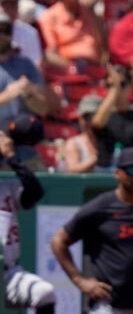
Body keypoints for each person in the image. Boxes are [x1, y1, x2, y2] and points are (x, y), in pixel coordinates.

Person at [50, 147, 133, 314]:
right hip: (109, 306)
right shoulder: (100, 207)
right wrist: (80, 281)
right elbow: (59, 241)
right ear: (117, 173)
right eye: (131, 170)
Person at [0, 119, 56, 313]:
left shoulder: (6, 186)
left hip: (7, 271)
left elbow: (35, 192)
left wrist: (12, 158)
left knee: (45, 293)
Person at [91, 65, 133, 173]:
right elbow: (98, 123)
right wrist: (115, 89)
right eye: (110, 85)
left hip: (132, 172)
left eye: (122, 84)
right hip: (106, 172)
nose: (118, 90)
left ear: (130, 87)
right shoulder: (101, 112)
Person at [37, 0, 106, 71]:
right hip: (68, 69)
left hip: (93, 66)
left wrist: (92, 12)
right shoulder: (49, 17)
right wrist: (72, 67)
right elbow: (50, 55)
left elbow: (102, 46)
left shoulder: (89, 12)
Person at [61, 94, 101, 173]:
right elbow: (73, 169)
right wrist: (96, 159)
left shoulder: (112, 141)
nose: (89, 122)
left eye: (93, 116)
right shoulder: (74, 143)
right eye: (85, 117)